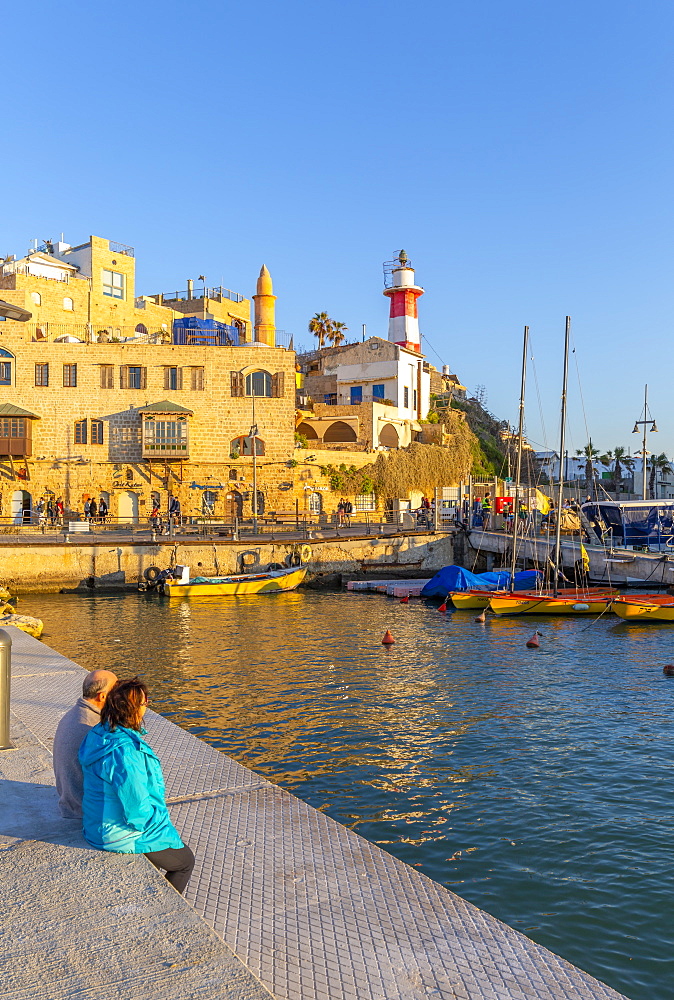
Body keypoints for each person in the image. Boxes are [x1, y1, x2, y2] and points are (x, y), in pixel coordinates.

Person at [79, 677, 195, 894]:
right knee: (185, 861)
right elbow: (137, 810)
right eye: (144, 703)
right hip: (116, 835)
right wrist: (162, 829)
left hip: (95, 825)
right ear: (131, 709)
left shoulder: (99, 733)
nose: (146, 707)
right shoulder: (126, 752)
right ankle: (162, 909)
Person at [53, 669, 118, 818]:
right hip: (83, 809)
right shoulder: (94, 728)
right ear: (102, 696)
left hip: (69, 799)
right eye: (117, 690)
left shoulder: (74, 714)